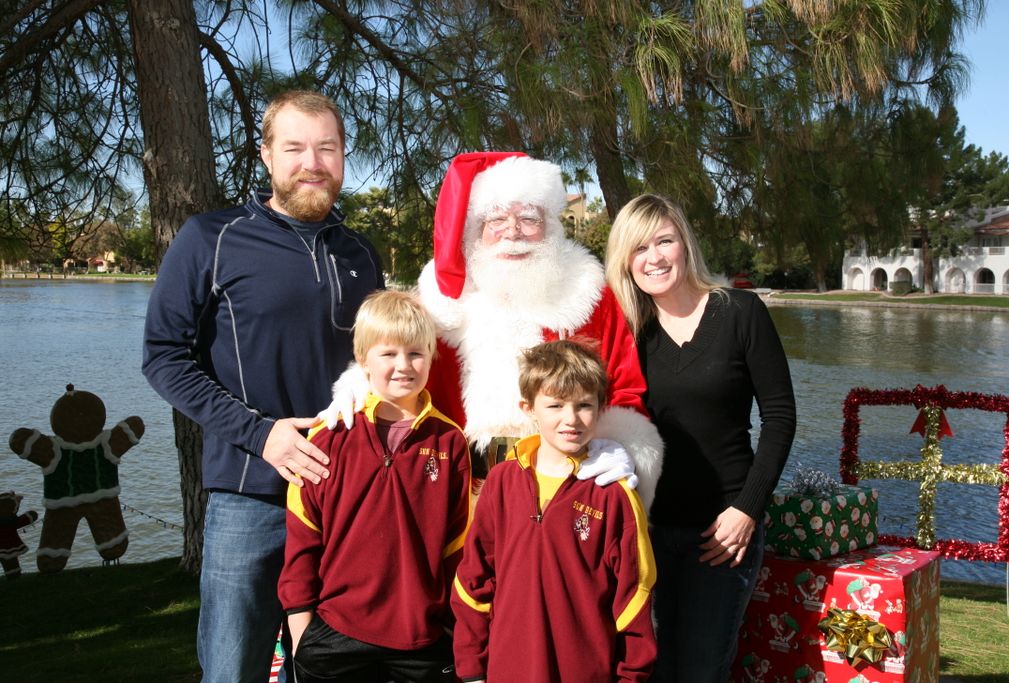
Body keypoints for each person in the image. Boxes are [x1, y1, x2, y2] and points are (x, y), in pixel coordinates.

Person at [142, 90, 385, 683]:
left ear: (344, 157)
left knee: (337, 669)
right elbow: (163, 358)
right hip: (252, 497)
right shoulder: (211, 239)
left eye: (327, 148)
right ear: (266, 156)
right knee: (233, 669)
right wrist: (262, 435)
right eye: (296, 147)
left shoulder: (361, 254)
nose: (313, 162)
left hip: (346, 500)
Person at [321, 152, 663, 508]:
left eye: (529, 218)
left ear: (551, 226)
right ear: (475, 229)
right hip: (457, 486)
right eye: (496, 219)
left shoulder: (589, 294)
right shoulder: (442, 298)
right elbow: (397, 356)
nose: (513, 231)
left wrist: (618, 445)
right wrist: (362, 387)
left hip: (565, 482)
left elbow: (624, 386)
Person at [604, 194, 797, 682]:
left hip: (721, 532)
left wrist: (748, 509)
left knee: (699, 670)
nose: (655, 257)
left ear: (685, 244)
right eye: (639, 248)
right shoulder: (629, 331)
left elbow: (780, 417)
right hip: (645, 533)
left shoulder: (741, 313)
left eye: (664, 240)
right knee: (647, 669)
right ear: (625, 261)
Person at [278, 290, 470, 682]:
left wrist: (454, 629)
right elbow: (303, 541)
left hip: (421, 638)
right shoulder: (328, 438)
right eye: (389, 354)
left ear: (433, 356)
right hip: (336, 635)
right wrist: (301, 635)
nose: (404, 366)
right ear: (363, 359)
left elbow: (458, 546)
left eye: (416, 353)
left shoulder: (450, 442)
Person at [451, 339, 657, 681]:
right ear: (529, 408)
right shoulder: (502, 482)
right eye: (556, 405)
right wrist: (472, 668)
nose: (571, 419)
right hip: (507, 669)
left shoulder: (614, 495)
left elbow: (635, 599)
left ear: (601, 407)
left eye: (584, 406)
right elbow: (474, 580)